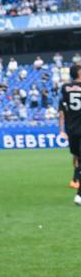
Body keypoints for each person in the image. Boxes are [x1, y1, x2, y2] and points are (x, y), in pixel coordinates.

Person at [58, 64, 81, 203]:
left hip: (72, 129)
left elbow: (62, 111)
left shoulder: (65, 88)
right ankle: (79, 193)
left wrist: (61, 130)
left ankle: (76, 182)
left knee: (78, 157)